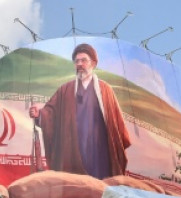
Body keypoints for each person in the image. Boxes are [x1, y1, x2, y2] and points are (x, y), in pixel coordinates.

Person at [28, 42, 132, 179]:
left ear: (93, 63)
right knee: (76, 183)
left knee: (101, 184)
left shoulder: (105, 90)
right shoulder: (65, 90)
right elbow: (50, 113)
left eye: (84, 60)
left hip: (99, 149)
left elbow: (116, 124)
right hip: (73, 147)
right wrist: (39, 114)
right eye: (76, 61)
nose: (80, 64)